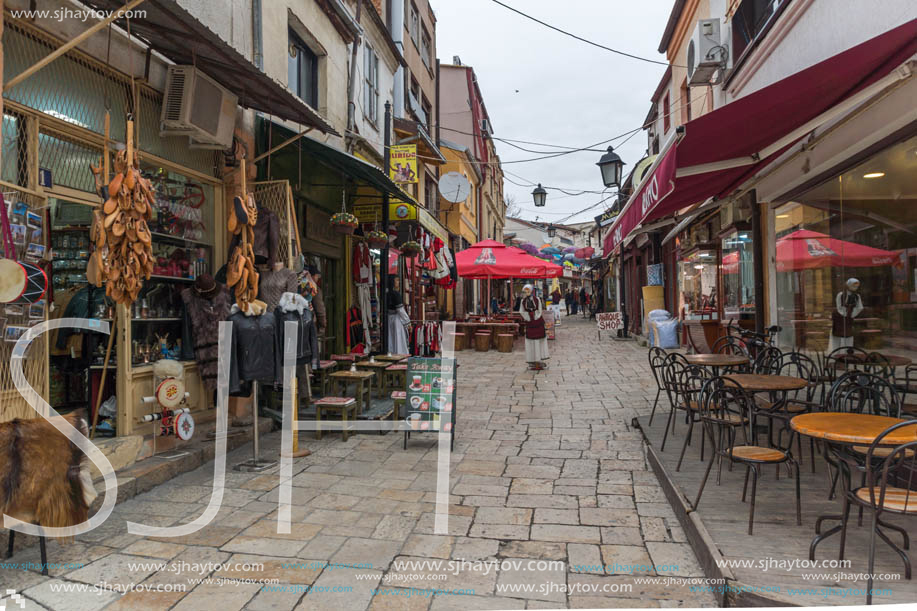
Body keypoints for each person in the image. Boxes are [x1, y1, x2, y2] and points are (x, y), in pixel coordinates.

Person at [519, 284, 549, 370]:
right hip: (530, 323)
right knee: (530, 341)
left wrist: (535, 316)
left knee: (539, 341)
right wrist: (528, 317)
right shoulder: (523, 301)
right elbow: (522, 311)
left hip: (537, 322)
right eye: (525, 291)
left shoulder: (537, 299)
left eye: (528, 290)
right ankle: (532, 360)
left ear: (531, 291)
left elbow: (540, 310)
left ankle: (539, 359)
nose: (527, 292)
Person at [831, 277, 863, 351]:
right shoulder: (841, 294)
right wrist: (845, 313)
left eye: (856, 286)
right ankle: (837, 353)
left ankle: (847, 352)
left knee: (848, 335)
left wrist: (852, 314)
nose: (855, 288)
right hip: (839, 318)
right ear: (848, 285)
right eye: (853, 286)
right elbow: (839, 306)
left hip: (849, 317)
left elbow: (860, 307)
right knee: (837, 337)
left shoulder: (857, 296)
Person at [387, 276, 410, 354]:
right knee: (398, 339)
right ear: (392, 282)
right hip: (396, 320)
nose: (398, 282)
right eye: (396, 280)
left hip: (388, 319)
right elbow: (401, 310)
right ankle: (399, 355)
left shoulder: (386, 293)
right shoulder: (396, 294)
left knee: (390, 339)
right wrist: (408, 322)